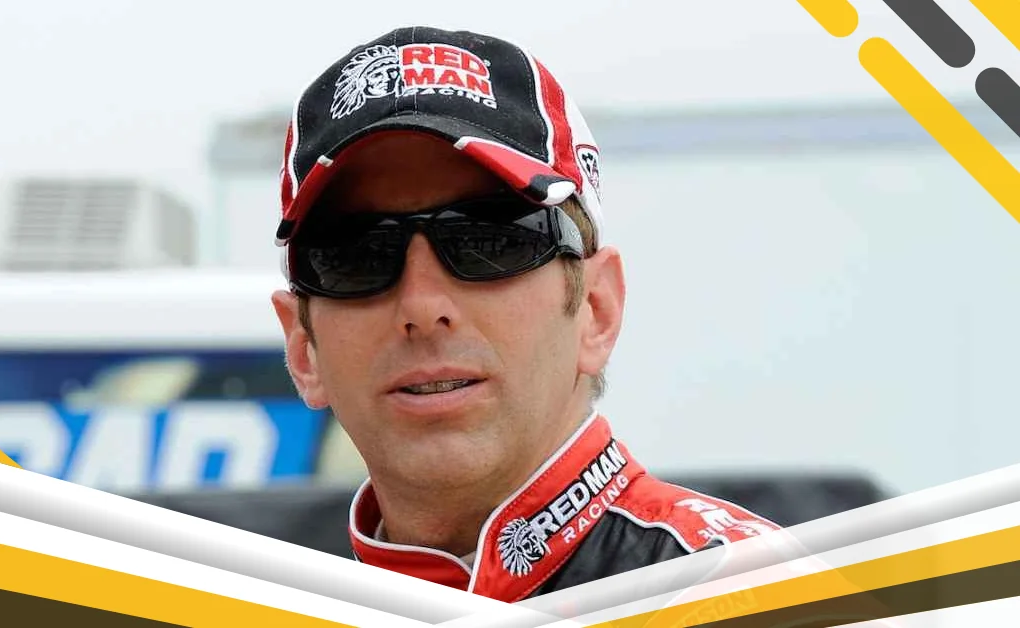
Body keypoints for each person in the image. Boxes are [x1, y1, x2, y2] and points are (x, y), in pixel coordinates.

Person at [269, 26, 779, 602]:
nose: (422, 307)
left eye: (489, 241)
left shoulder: (759, 596)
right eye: (356, 256)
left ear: (596, 309)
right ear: (303, 350)